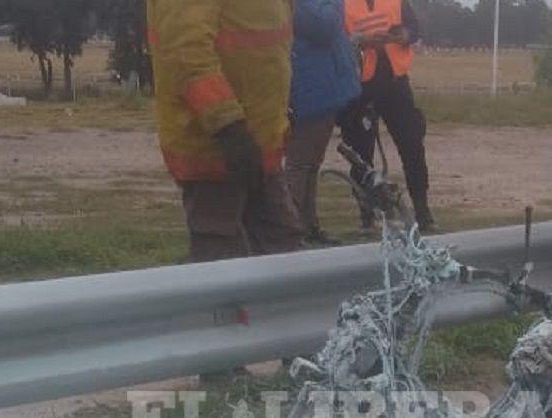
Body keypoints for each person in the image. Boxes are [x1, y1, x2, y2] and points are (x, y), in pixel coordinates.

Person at [147, 0, 302, 261]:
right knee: (220, 258)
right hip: (217, 148)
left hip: (259, 144)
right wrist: (229, 126)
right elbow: (187, 54)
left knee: (284, 252)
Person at [339, 0, 434, 232]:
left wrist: (405, 34)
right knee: (361, 155)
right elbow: (334, 40)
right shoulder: (341, 4)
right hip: (360, 87)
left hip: (395, 84)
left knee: (412, 146)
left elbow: (414, 28)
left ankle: (422, 211)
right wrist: (359, 42)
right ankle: (368, 217)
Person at [287, 0, 361, 246]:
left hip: (323, 86)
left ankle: (308, 226)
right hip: (311, 88)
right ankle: (293, 231)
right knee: (300, 164)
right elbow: (325, 25)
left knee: (310, 164)